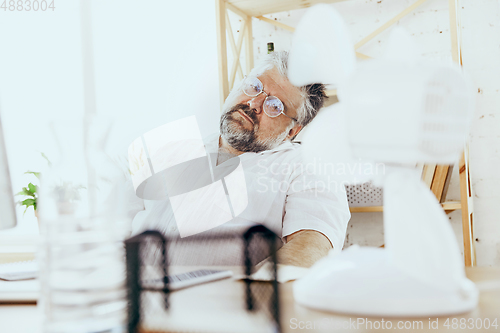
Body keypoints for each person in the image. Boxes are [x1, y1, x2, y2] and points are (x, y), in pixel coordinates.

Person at [130, 51, 350, 267]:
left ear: (293, 131)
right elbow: (116, 226)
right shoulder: (171, 151)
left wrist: (254, 297)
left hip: (223, 301)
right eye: (255, 87)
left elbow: (311, 247)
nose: (254, 104)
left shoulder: (308, 167)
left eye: (275, 106)